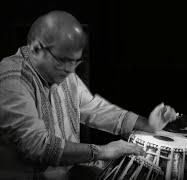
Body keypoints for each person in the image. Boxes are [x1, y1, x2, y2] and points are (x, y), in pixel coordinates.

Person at [0, 10, 177, 179]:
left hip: (67, 173)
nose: (70, 70)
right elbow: (37, 146)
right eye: (63, 61)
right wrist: (101, 151)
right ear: (37, 49)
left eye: (75, 62)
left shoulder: (63, 72)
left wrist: (147, 124)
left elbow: (95, 110)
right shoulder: (12, 80)